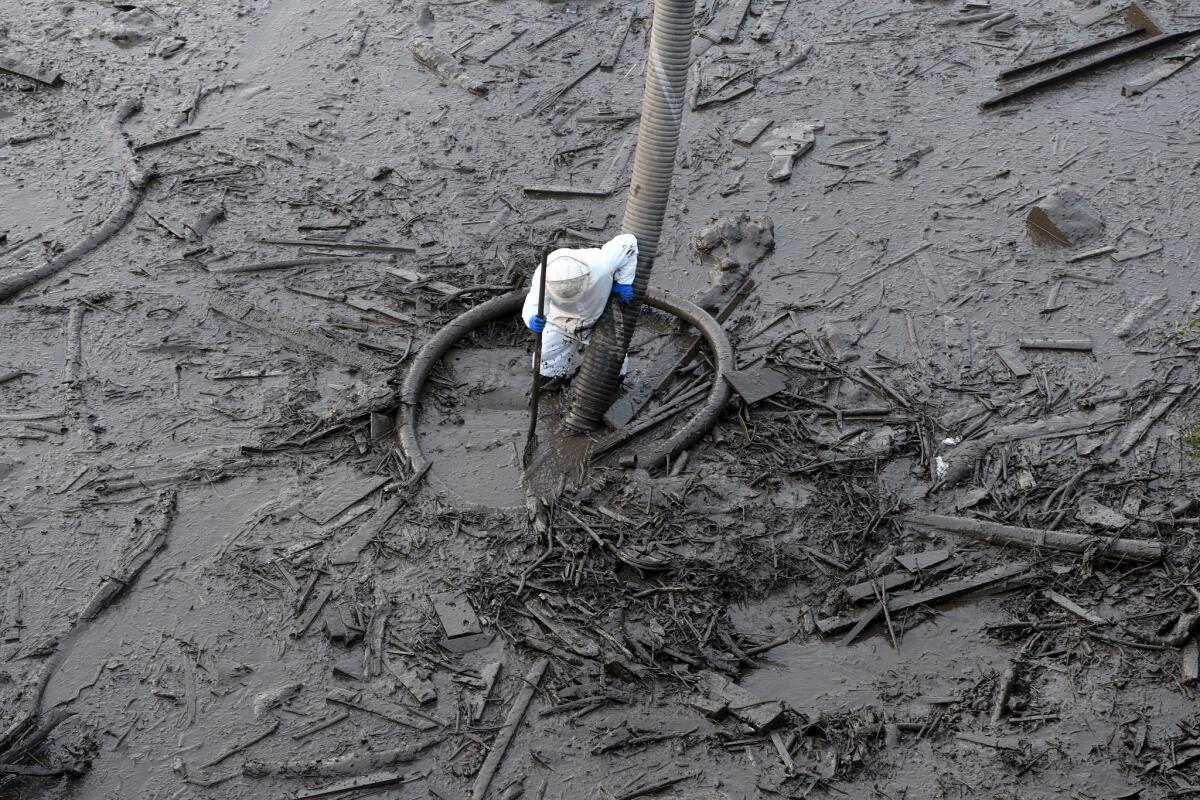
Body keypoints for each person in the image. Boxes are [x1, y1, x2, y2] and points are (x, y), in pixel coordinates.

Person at [522, 234, 638, 380]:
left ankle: (611, 384)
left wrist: (624, 281)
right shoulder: (545, 277)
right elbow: (533, 304)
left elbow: (628, 242)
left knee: (613, 359)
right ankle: (555, 379)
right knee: (547, 360)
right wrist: (532, 318)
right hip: (560, 319)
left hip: (599, 317)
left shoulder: (602, 264)